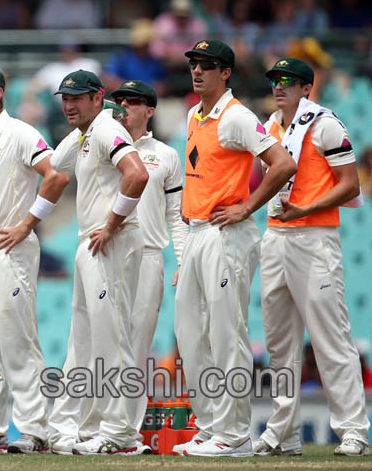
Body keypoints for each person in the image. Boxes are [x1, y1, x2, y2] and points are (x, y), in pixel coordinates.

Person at [172, 39, 296, 457]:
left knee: (227, 333)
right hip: (197, 232)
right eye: (194, 64)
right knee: (190, 334)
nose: (198, 70)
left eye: (207, 65)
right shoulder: (193, 113)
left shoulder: (237, 116)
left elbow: (282, 164)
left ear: (226, 72)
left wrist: (248, 206)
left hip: (228, 234)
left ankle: (236, 431)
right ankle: (210, 427)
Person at [255, 57, 369, 457]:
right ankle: (283, 434)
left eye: (288, 80)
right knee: (279, 343)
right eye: (274, 80)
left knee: (330, 338)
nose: (278, 86)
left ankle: (354, 429)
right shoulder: (269, 126)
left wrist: (305, 210)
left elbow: (351, 184)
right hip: (275, 236)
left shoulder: (325, 123)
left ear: (307, 88)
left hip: (315, 237)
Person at [42, 70, 148, 455]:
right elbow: (53, 164)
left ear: (97, 97)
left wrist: (111, 223)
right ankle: (76, 426)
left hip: (111, 241)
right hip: (91, 242)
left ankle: (120, 433)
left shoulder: (106, 130)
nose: (69, 105)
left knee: (110, 338)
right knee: (83, 340)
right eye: (65, 98)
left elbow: (137, 175)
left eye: (78, 98)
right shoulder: (88, 134)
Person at [0, 65, 67, 454]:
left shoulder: (20, 133)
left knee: (17, 340)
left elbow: (55, 177)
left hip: (11, 244)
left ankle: (34, 428)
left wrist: (28, 224)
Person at [110, 79, 188, 452]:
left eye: (133, 101)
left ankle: (125, 433)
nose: (124, 105)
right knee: (104, 341)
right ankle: (101, 428)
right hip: (107, 253)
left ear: (150, 110)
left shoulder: (166, 155)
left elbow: (176, 215)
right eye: (119, 100)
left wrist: (184, 257)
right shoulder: (105, 145)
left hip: (148, 256)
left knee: (137, 345)